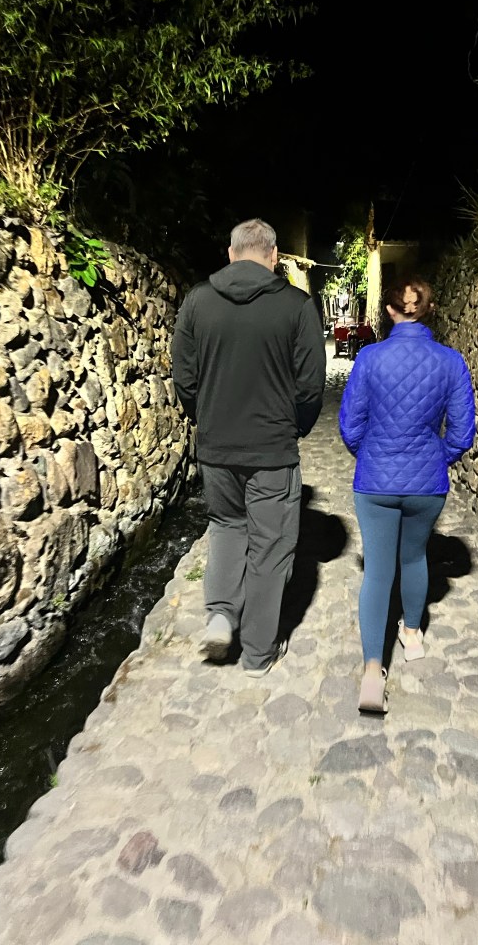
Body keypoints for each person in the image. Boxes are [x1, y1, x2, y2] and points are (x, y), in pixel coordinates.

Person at [171, 218, 326, 676]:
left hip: (216, 448)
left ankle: (221, 615)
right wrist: (294, 427)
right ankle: (258, 653)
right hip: (272, 449)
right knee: (270, 547)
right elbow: (310, 386)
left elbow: (184, 378)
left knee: (226, 526)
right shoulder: (297, 307)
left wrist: (206, 419)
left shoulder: (197, 301)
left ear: (230, 253)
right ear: (274, 256)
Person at [338, 275, 476, 712]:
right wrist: (436, 458)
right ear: (429, 309)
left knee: (378, 572)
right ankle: (412, 636)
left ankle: (371, 672)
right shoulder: (451, 362)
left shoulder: (369, 358)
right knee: (415, 557)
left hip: (375, 482)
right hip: (426, 483)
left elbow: (350, 424)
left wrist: (372, 455)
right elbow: (462, 433)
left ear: (390, 310)